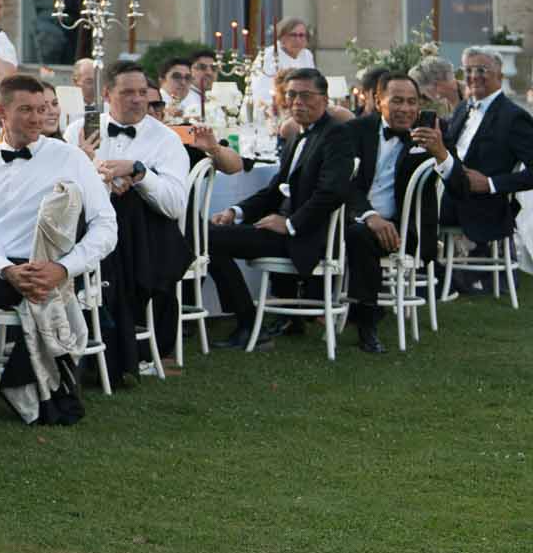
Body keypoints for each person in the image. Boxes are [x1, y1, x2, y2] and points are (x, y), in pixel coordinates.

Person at [0, 75, 119, 425]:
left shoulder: (70, 158)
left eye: (42, 109)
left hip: (51, 270)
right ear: (0, 111)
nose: (37, 117)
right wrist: (6, 269)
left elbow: (106, 227)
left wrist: (63, 269)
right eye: (26, 110)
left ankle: (4, 386)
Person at [206, 67, 384, 352]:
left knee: (209, 239)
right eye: (292, 95)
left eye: (306, 95)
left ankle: (249, 324)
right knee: (210, 233)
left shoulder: (336, 135)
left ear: (325, 100)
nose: (297, 101)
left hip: (307, 237)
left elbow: (333, 192)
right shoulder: (299, 136)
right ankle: (249, 321)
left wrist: (290, 225)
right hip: (290, 230)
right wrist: (235, 212)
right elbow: (275, 189)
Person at [88, 63, 192, 379]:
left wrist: (140, 173)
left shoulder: (167, 140)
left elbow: (175, 205)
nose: (138, 100)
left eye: (142, 93)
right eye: (127, 92)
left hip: (148, 242)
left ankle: (116, 348)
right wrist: (103, 179)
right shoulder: (84, 129)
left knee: (130, 208)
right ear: (107, 94)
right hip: (92, 234)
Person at [415, 46, 533, 274]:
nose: (473, 76)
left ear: (499, 74)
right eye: (468, 70)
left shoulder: (513, 117)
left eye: (481, 70)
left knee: (416, 204)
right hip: (450, 192)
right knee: (406, 195)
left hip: (482, 205)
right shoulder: (463, 110)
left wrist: (491, 183)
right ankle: (416, 270)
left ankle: (425, 273)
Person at [347, 73, 439, 298]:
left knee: (358, 236)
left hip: (404, 231)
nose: (405, 109)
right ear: (378, 102)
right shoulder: (355, 130)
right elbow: (341, 182)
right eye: (397, 100)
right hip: (354, 218)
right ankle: (303, 309)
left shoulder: (429, 136)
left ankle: (366, 318)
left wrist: (441, 152)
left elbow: (460, 186)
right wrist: (370, 216)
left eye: (412, 102)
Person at [250, 17, 315, 111]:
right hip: (271, 108)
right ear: (282, 38)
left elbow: (312, 83)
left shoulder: (307, 55)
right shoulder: (268, 55)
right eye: (293, 35)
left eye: (301, 35)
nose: (297, 40)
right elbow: (260, 89)